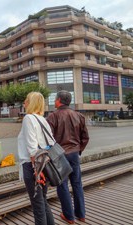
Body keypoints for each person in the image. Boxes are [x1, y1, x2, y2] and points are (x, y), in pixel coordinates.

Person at [46, 90, 89, 224]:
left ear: (59, 100)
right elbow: (85, 137)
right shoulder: (79, 116)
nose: (54, 101)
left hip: (60, 155)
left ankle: (69, 216)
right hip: (75, 154)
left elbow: (48, 139)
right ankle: (81, 214)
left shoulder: (52, 116)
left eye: (55, 99)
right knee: (77, 184)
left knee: (62, 185)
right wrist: (78, 150)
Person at [17, 92, 55, 225]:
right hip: (45, 165)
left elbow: (32, 149)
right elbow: (50, 143)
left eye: (26, 100)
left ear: (31, 103)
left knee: (38, 206)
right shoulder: (42, 119)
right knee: (42, 201)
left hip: (33, 166)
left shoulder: (28, 118)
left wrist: (37, 172)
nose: (24, 102)